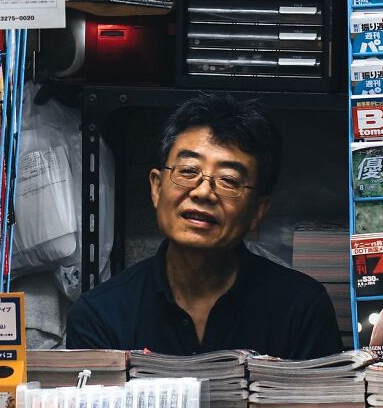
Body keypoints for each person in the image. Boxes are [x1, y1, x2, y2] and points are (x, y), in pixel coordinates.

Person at [66, 93, 342, 358]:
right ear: (156, 188)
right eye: (187, 171)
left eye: (229, 180)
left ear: (258, 210)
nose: (203, 193)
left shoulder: (301, 309)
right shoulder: (100, 315)